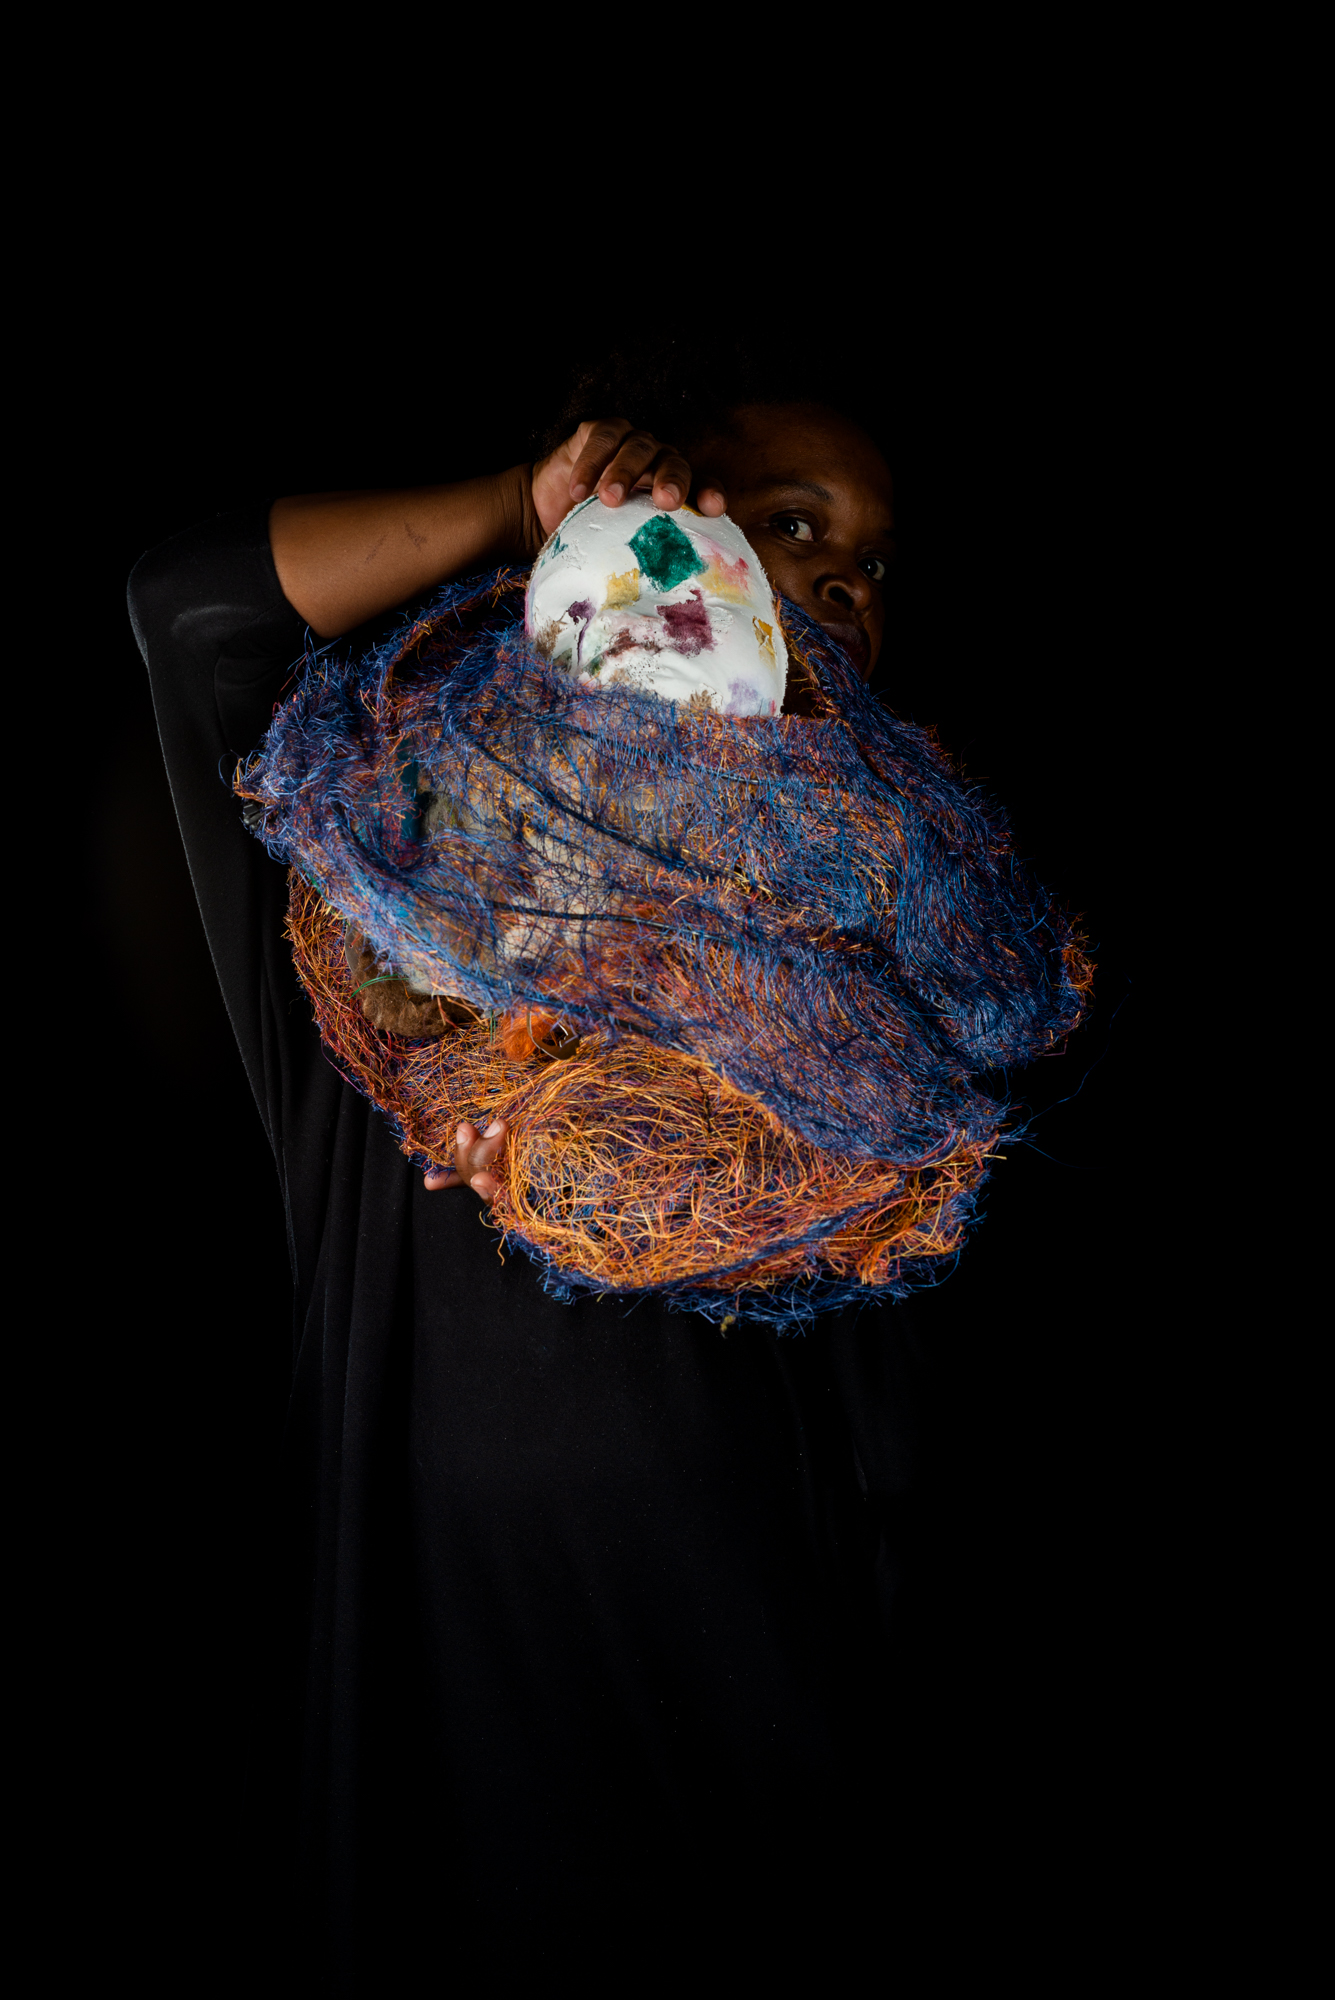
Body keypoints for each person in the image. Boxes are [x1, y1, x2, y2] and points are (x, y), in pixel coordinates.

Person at [128, 356, 926, 1989]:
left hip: (763, 1768)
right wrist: (518, 506)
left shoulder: (871, 988)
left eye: (870, 562)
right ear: (663, 519)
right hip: (443, 1739)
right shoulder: (385, 904)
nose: (846, 583)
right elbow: (193, 610)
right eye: (792, 525)